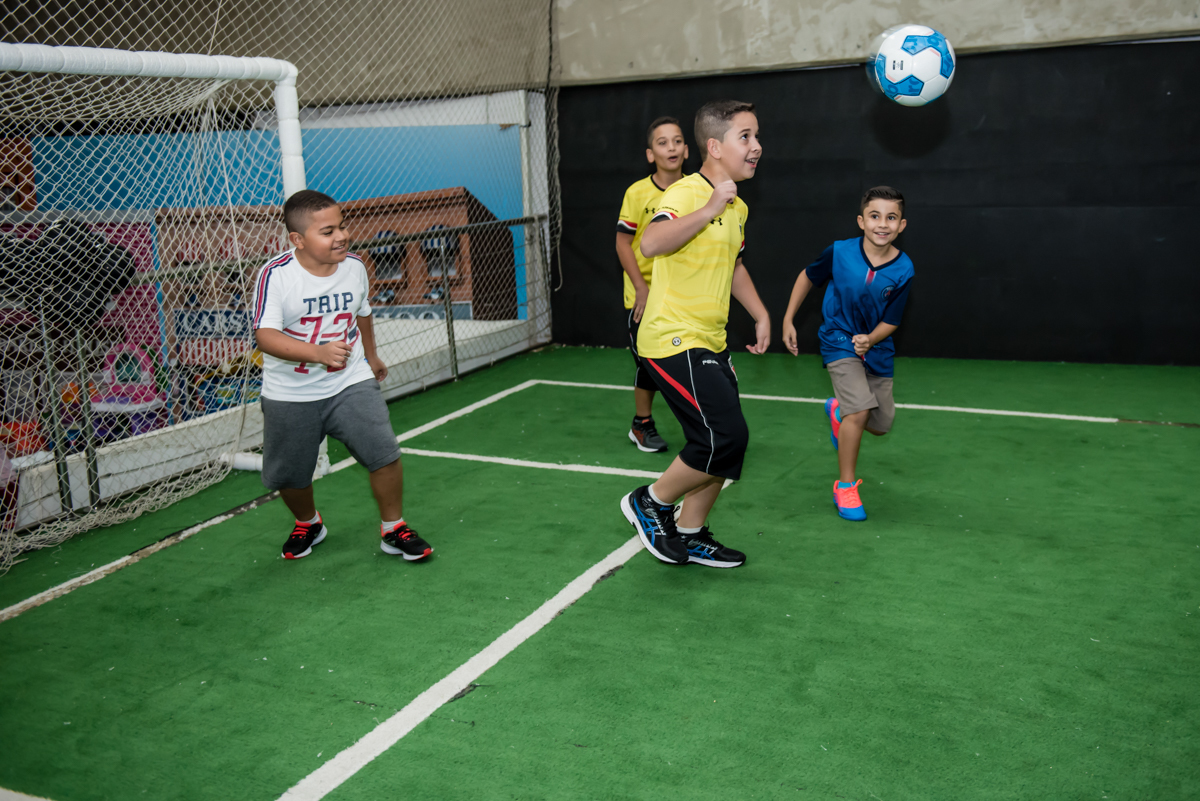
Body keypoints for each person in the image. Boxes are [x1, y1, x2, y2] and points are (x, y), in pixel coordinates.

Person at [619, 99, 769, 569]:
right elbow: (651, 242)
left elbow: (734, 264)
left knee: (728, 445)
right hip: (672, 337)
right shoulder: (688, 193)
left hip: (711, 338)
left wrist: (761, 314)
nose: (757, 147)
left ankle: (691, 531)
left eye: (756, 136)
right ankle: (651, 501)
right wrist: (707, 208)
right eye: (745, 136)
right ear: (714, 146)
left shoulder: (737, 206)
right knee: (721, 436)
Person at [252, 189, 432, 561]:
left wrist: (371, 354)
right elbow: (265, 336)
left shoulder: (354, 266)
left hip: (349, 381)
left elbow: (361, 311)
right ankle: (308, 523)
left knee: (383, 451)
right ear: (297, 240)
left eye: (343, 225)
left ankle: (393, 528)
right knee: (289, 474)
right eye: (328, 231)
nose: (342, 236)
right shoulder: (276, 276)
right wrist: (316, 353)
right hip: (290, 392)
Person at [781, 186, 914, 521]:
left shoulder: (904, 268)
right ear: (861, 221)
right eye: (874, 216)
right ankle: (846, 487)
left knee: (881, 424)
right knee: (861, 411)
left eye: (891, 217)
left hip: (878, 346)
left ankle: (839, 412)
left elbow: (893, 320)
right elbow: (807, 277)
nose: (882, 224)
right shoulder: (839, 252)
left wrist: (870, 339)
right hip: (838, 339)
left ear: (902, 225)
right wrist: (788, 318)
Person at [615, 116, 689, 453]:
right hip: (644, 298)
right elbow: (622, 243)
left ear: (687, 149)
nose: (671, 147)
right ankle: (641, 423)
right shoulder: (638, 193)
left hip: (682, 296)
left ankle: (698, 424)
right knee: (649, 363)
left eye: (677, 141)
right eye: (663, 142)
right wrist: (642, 289)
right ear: (650, 154)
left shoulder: (697, 191)